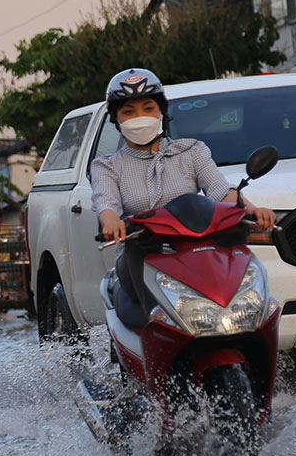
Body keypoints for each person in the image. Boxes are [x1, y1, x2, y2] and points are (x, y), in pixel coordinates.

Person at [89, 67, 275, 309]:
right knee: (137, 250)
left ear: (161, 112)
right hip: (140, 256)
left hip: (197, 255)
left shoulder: (192, 151)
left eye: (148, 108)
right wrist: (111, 222)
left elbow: (221, 190)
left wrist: (251, 211)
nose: (139, 117)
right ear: (116, 120)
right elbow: (106, 202)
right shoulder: (107, 166)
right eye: (128, 111)